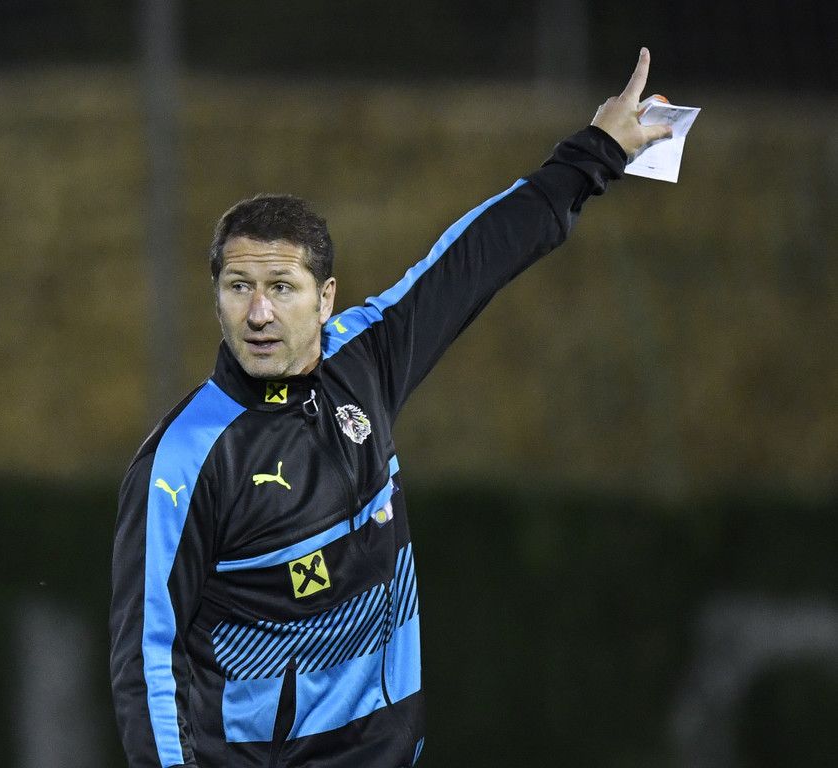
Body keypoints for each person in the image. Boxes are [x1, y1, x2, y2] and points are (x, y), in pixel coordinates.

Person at [110, 48, 672, 768]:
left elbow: (475, 257)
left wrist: (596, 152)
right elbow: (146, 664)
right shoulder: (182, 461)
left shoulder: (365, 357)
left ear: (326, 299)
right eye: (237, 287)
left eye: (281, 288)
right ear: (215, 297)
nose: (257, 313)